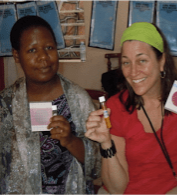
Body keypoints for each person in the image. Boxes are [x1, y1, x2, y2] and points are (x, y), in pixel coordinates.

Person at [85, 22, 177, 194]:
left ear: (161, 61)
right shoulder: (115, 106)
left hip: (174, 188)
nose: (133, 72)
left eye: (142, 60)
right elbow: (116, 189)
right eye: (126, 63)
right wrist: (106, 144)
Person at [0, 15, 101, 194]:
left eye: (49, 48)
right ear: (16, 55)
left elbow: (99, 164)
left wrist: (70, 140)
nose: (44, 58)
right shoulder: (5, 104)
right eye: (32, 50)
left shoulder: (79, 100)